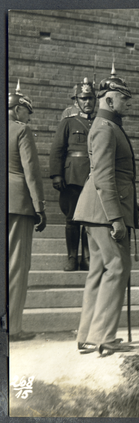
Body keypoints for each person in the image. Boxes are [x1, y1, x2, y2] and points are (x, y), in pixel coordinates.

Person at [72, 64, 138, 355]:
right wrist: (116, 217)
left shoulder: (108, 126)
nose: (127, 104)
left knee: (99, 270)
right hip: (105, 210)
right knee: (117, 268)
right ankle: (104, 337)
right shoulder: (104, 128)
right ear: (109, 99)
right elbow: (103, 176)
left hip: (97, 210)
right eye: (123, 99)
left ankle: (87, 335)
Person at [8, 80, 47, 342]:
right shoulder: (21, 130)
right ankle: (11, 327)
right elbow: (31, 171)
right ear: (18, 109)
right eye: (27, 111)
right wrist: (39, 206)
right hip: (17, 203)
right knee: (16, 266)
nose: (28, 116)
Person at [49, 77, 96, 271]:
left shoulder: (99, 123)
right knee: (72, 218)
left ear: (95, 100)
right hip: (72, 177)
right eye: (83, 99)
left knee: (89, 219)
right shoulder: (68, 122)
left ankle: (86, 258)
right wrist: (56, 175)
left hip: (92, 178)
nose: (87, 102)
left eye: (90, 98)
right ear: (76, 100)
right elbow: (57, 150)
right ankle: (71, 258)